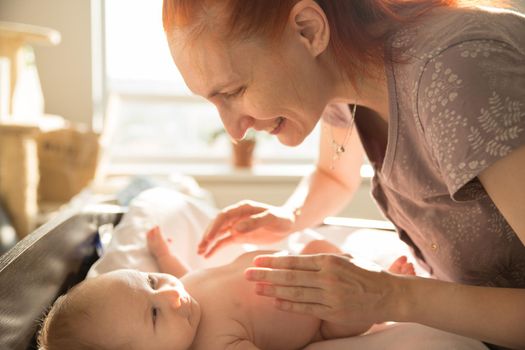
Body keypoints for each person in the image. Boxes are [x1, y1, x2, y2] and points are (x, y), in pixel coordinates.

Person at [162, 0, 525, 349]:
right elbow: (333, 176)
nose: (234, 130)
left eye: (235, 91)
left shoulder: (456, 74)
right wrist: (292, 217)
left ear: (308, 30)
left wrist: (390, 295)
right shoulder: (342, 78)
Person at [37, 227, 416, 350]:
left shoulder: (180, 296)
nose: (170, 293)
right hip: (318, 314)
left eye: (150, 281)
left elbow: (185, 274)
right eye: (154, 314)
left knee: (321, 250)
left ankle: (377, 271)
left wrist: (162, 254)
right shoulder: (213, 342)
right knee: (348, 314)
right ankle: (385, 293)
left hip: (304, 260)